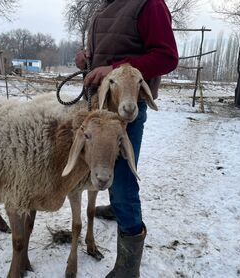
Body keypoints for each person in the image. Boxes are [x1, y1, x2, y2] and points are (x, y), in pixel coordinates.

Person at [75, 0, 178, 277]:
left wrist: (113, 68)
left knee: (123, 175)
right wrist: (88, 59)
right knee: (106, 165)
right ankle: (117, 207)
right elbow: (111, 53)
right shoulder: (106, 8)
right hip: (100, 106)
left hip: (125, 108)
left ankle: (128, 267)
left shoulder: (149, 4)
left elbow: (167, 57)